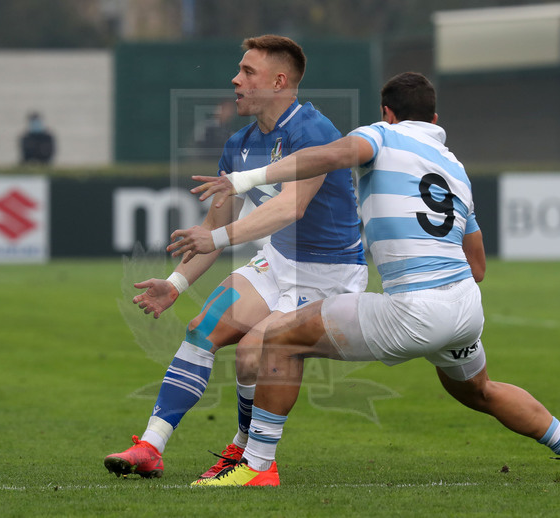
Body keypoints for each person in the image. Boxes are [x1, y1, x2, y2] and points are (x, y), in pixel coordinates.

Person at [185, 72, 560, 486]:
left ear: (387, 112)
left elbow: (330, 156)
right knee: (480, 391)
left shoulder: (380, 135)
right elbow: (478, 267)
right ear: (435, 120)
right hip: (464, 307)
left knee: (280, 337)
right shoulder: (455, 169)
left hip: (414, 310)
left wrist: (248, 178)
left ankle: (257, 465)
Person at [103, 35, 368, 482]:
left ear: (279, 81)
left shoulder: (315, 132)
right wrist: (176, 283)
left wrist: (220, 237)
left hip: (328, 276)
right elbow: (212, 231)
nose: (236, 79)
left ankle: (250, 458)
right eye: (239, 71)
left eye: (248, 72)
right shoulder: (239, 144)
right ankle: (151, 446)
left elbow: (291, 206)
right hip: (278, 262)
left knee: (251, 353)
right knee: (202, 327)